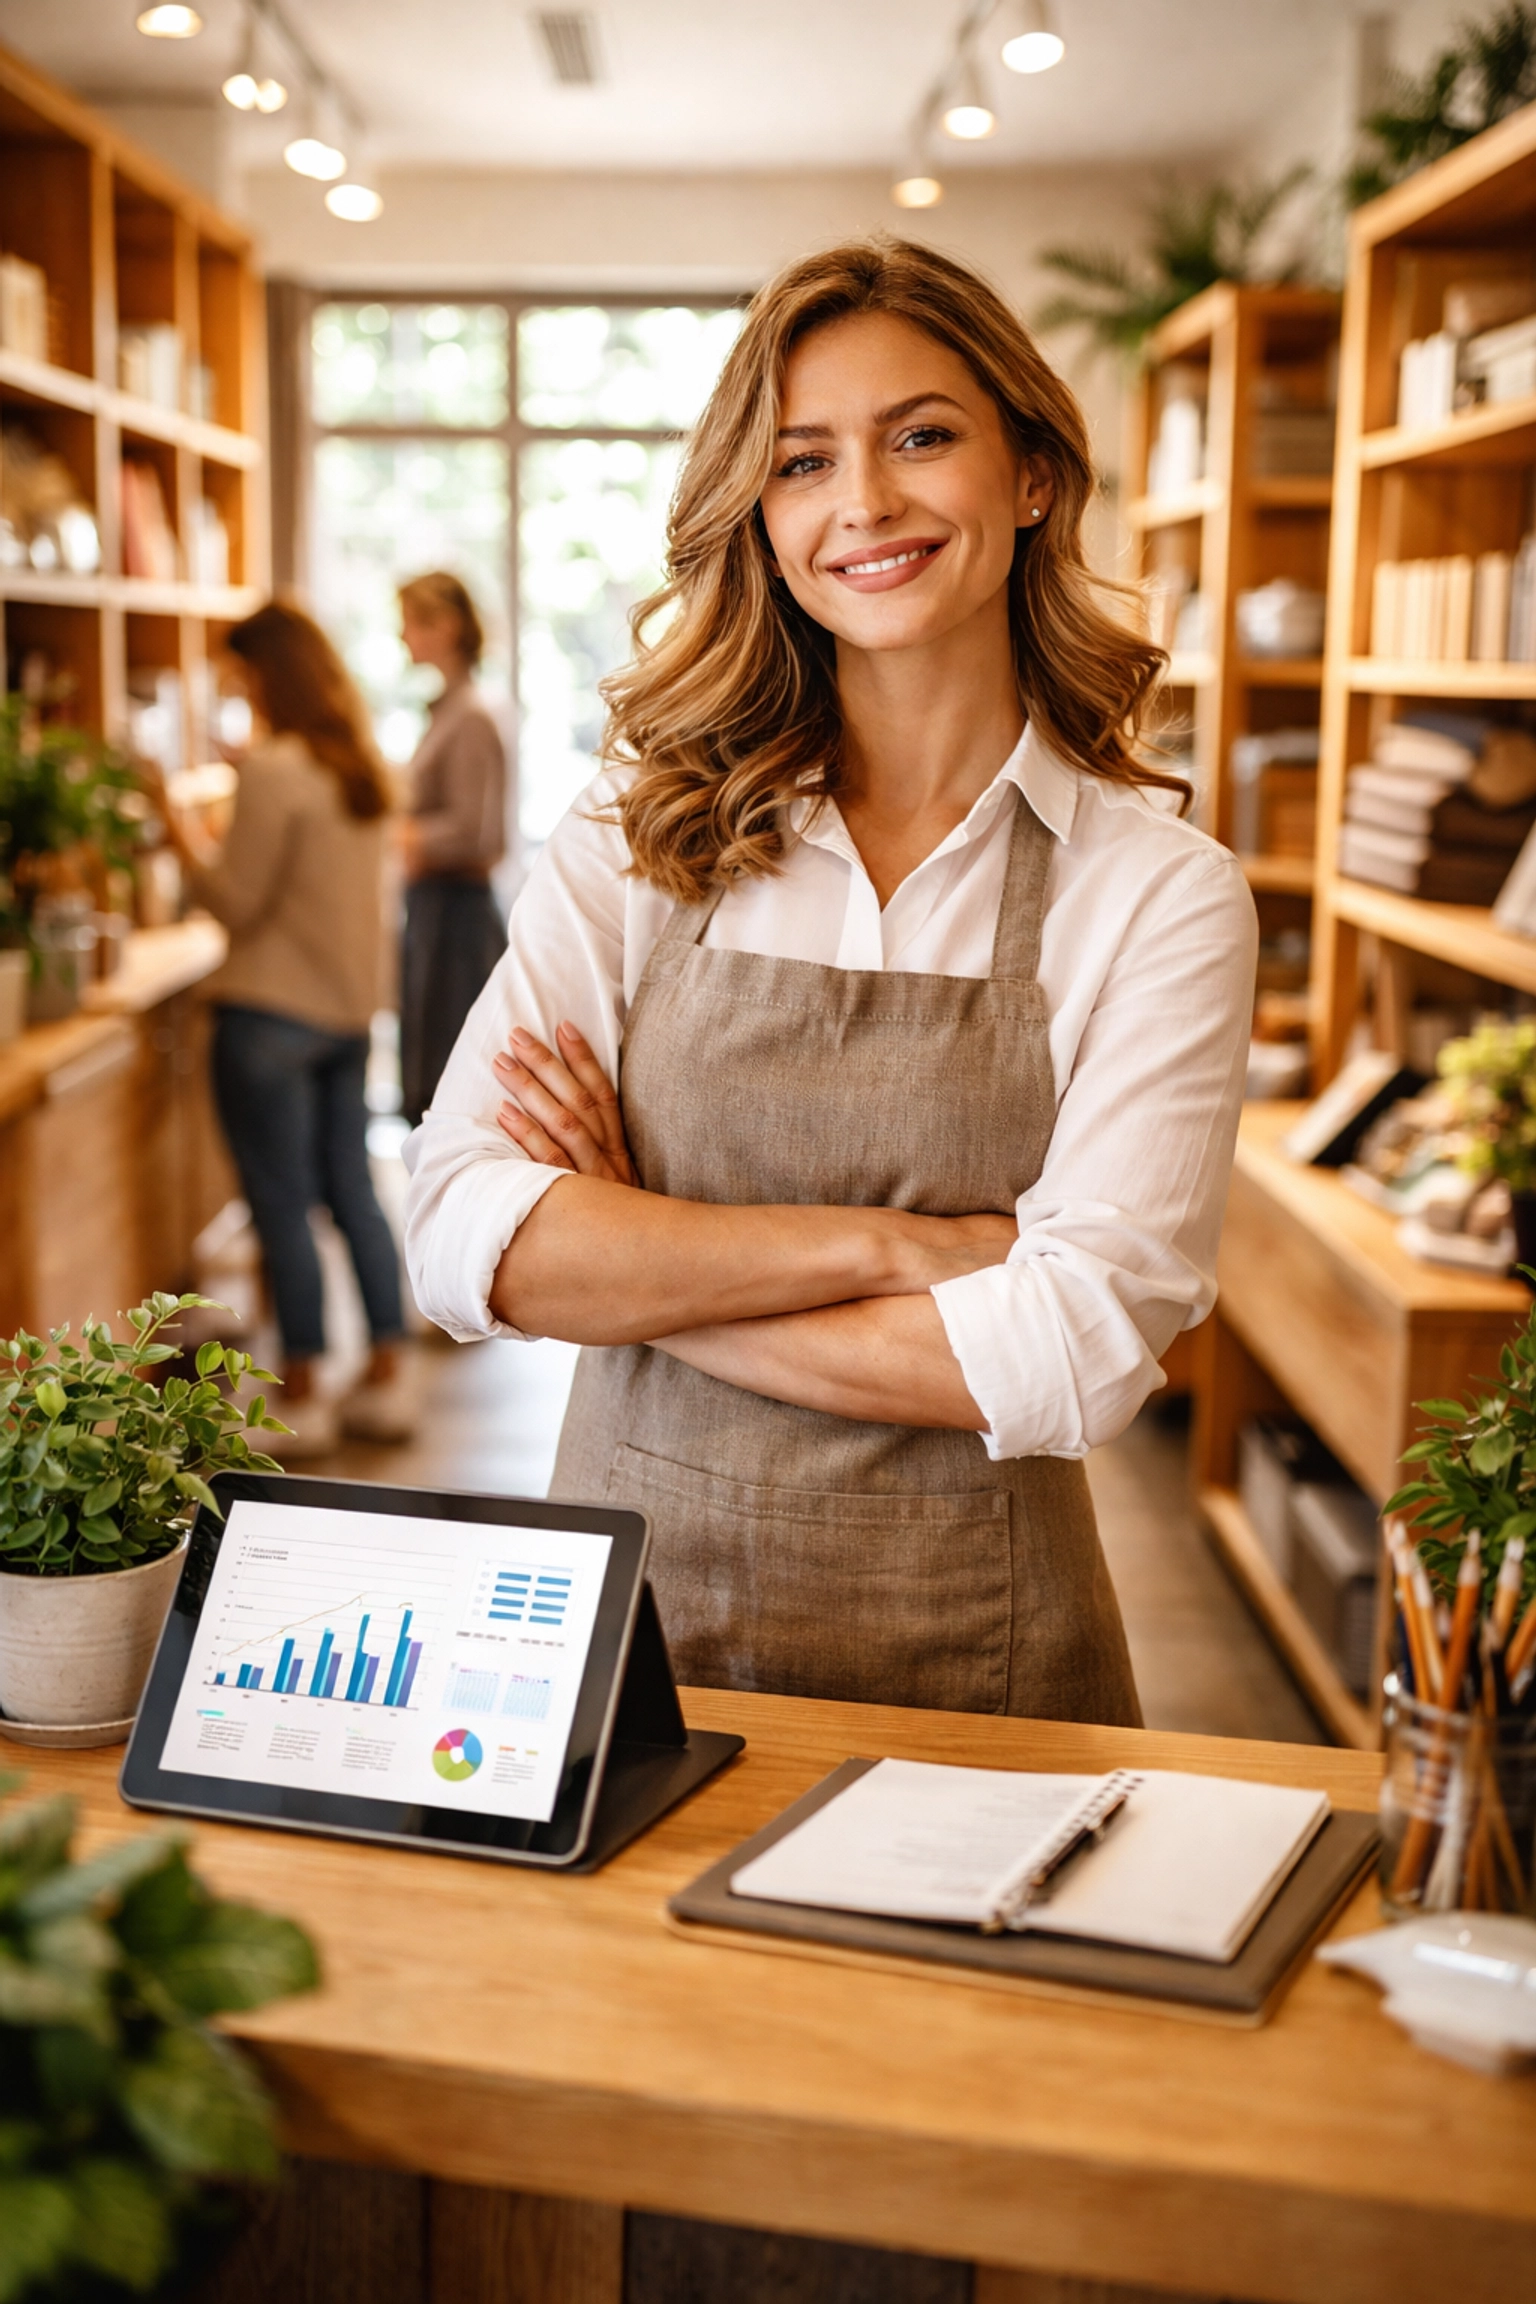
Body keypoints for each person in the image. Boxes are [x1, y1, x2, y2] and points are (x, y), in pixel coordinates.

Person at [405, 236, 1257, 1726]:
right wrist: (898, 1249)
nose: (863, 503)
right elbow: (460, 1233)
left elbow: (1072, 1353)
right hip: (619, 1654)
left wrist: (635, 1273)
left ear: (1033, 472)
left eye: (922, 435)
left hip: (984, 1678)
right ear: (760, 509)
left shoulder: (1159, 892)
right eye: (802, 462)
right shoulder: (638, 836)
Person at [157, 601, 415, 1457]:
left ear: (270, 675)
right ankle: (386, 1373)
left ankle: (298, 1388)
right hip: (346, 1019)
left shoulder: (273, 768)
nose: (239, 696)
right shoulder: (359, 766)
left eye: (241, 680)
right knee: (351, 1194)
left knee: (278, 1205)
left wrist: (171, 817)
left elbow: (234, 902)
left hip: (269, 1016)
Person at [396, 571, 509, 1126]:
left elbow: (475, 831)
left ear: (448, 627)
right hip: (435, 910)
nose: (403, 636)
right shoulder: (447, 711)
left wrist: (403, 833)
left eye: (414, 622)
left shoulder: (471, 718)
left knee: (444, 1086)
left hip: (457, 919)